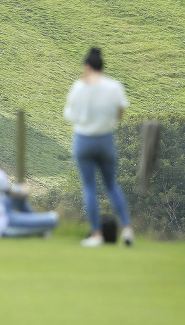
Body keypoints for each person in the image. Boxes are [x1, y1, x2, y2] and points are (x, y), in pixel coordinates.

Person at [63, 48, 134, 247]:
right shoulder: (114, 87)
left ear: (86, 67)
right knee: (112, 185)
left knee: (89, 187)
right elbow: (119, 114)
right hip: (105, 139)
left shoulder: (78, 87)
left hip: (84, 139)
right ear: (102, 67)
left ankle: (96, 234)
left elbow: (70, 115)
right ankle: (127, 229)